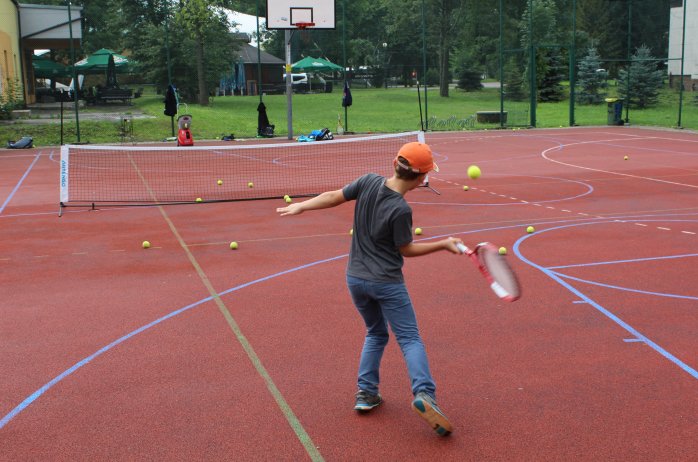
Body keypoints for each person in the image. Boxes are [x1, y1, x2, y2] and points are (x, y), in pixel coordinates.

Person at [276, 141, 462, 436]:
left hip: (355, 279)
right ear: (420, 178)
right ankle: (425, 394)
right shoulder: (401, 209)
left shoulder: (367, 182)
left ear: (394, 164)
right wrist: (443, 244)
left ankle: (366, 393)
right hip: (386, 282)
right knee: (410, 338)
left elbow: (333, 196)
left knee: (375, 333)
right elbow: (406, 250)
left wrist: (301, 205)